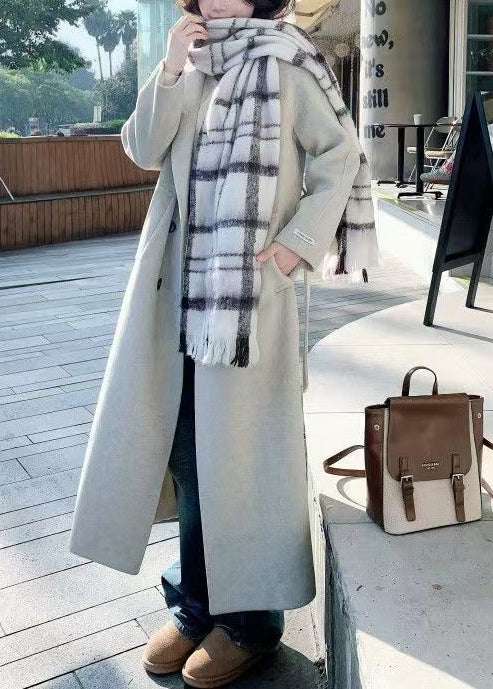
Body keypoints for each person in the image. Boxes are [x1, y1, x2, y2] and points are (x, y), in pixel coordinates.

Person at [68, 0, 378, 687]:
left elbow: (339, 156)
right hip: (174, 295)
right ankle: (197, 604)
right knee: (186, 449)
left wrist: (296, 245)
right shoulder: (192, 62)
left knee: (240, 459)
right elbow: (142, 149)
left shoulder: (289, 61)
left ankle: (250, 625)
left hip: (245, 298)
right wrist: (171, 70)